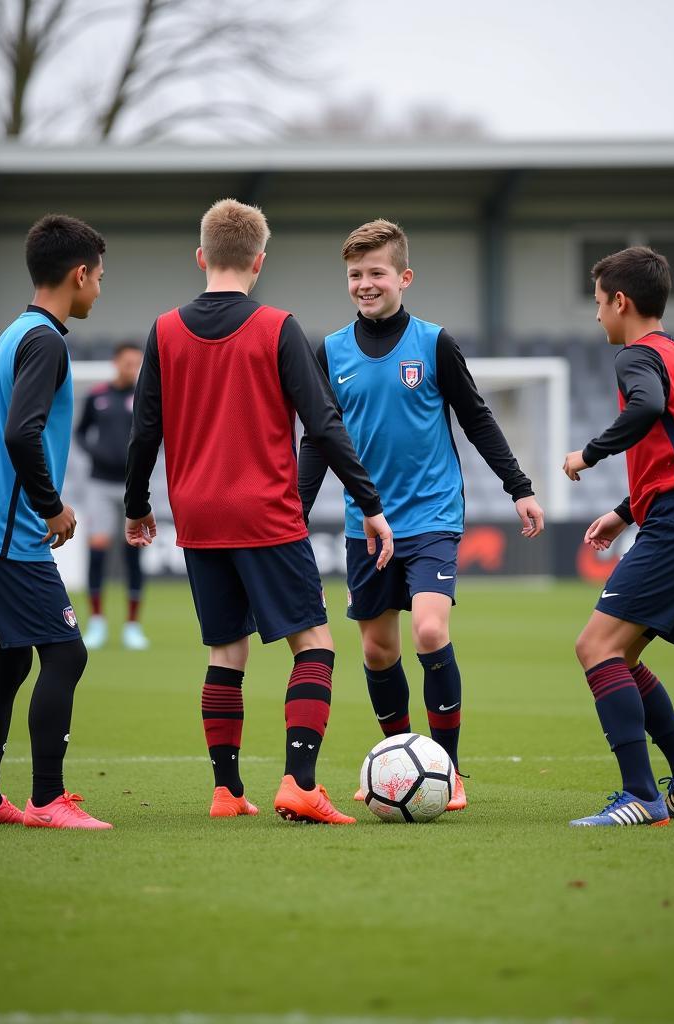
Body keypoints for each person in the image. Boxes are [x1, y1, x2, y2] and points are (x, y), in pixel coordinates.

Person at [124, 198, 393, 825]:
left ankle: (226, 792)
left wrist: (137, 504)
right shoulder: (277, 327)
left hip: (197, 515)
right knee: (314, 643)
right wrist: (370, 504)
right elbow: (324, 424)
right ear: (259, 261)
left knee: (225, 652)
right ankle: (300, 782)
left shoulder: (163, 330)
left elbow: (143, 432)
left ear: (201, 257)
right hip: (266, 512)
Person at [297, 219, 545, 812]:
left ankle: (449, 770)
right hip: (367, 523)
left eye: (376, 273)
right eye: (355, 275)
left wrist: (520, 487)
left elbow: (478, 418)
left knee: (430, 631)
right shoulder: (328, 351)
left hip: (432, 514)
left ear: (404, 277)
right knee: (379, 652)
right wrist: (295, 512)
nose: (364, 284)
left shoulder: (434, 343)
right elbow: (317, 441)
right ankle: (396, 768)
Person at [0, 213, 111, 830]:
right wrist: (48, 505)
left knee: (10, 662)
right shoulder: (47, 341)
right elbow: (20, 431)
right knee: (66, 655)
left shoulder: (13, 333)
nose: (100, 289)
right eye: (99, 277)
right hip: (4, 528)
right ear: (79, 273)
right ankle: (47, 799)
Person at [562, 246, 674, 827]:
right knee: (624, 655)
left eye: (598, 304)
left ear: (621, 301)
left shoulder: (636, 357)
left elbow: (647, 408)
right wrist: (624, 510)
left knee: (595, 647)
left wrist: (589, 454)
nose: (596, 317)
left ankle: (640, 793)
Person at [75, 342, 150, 650]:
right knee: (98, 550)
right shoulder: (97, 396)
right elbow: (80, 432)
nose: (133, 368)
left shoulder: (145, 396)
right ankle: (97, 622)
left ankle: (132, 626)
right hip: (99, 485)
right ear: (116, 362)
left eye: (137, 363)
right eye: (128, 362)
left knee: (134, 552)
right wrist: (98, 452)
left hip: (135, 486)